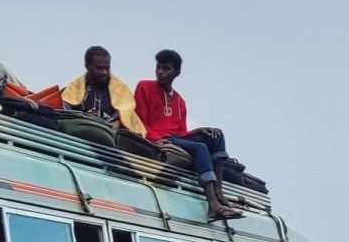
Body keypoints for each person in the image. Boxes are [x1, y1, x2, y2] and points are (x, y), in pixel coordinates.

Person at [133, 50, 241, 222]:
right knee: (200, 148)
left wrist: (197, 131)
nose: (160, 72)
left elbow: (181, 132)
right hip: (160, 139)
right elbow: (139, 121)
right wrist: (157, 139)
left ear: (177, 73)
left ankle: (219, 191)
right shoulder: (144, 87)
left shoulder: (179, 101)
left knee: (216, 135)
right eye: (158, 67)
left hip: (176, 139)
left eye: (166, 69)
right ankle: (213, 205)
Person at [63, 46, 147, 135]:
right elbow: (66, 109)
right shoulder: (74, 88)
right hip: (80, 132)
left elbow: (125, 113)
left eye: (107, 68)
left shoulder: (120, 89)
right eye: (99, 68)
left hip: (111, 135)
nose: (104, 72)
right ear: (87, 66)